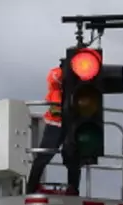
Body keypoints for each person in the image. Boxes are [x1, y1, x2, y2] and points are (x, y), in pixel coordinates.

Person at [25, 62, 82, 196]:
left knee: (72, 156)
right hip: (55, 123)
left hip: (72, 123)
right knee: (44, 156)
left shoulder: (82, 78)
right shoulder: (56, 73)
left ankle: (73, 188)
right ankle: (31, 187)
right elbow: (55, 79)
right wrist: (70, 74)